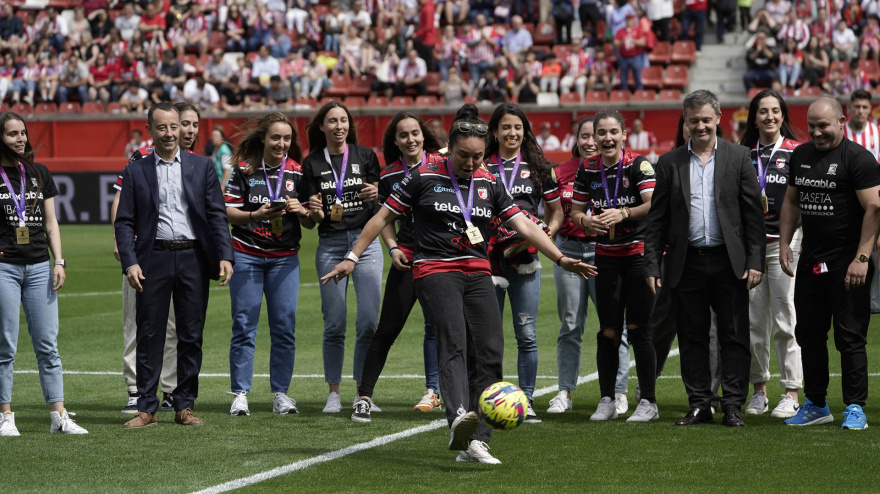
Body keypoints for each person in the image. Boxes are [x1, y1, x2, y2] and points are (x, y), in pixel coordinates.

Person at [321, 104, 596, 464]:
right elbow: (383, 215)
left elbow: (525, 225)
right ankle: (457, 421)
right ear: (450, 148)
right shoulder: (421, 176)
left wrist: (559, 257)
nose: (471, 163)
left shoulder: (489, 182)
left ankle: (478, 440)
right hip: (435, 270)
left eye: (478, 156)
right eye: (464, 156)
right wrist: (353, 256)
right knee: (453, 339)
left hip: (479, 271)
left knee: (491, 350)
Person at [644, 89, 766, 427]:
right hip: (687, 261)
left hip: (730, 262)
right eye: (693, 120)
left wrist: (755, 260)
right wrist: (652, 263)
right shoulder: (669, 162)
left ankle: (731, 405)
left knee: (734, 334)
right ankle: (699, 403)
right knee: (692, 335)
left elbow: (752, 216)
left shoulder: (739, 157)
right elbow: (657, 221)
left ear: (718, 120)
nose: (700, 126)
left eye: (706, 120)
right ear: (685, 122)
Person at [115, 102, 234, 428]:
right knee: (149, 332)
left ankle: (184, 405)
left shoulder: (203, 165)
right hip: (153, 259)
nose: (170, 133)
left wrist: (225, 254)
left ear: (183, 129)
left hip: (194, 259)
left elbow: (216, 215)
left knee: (191, 333)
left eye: (175, 127)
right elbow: (124, 221)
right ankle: (147, 408)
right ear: (150, 131)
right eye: (162, 128)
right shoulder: (136, 169)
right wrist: (130, 262)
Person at [779, 97, 880, 429]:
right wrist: (784, 242)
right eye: (812, 126)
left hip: (848, 261)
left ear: (842, 121)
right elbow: (792, 202)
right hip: (811, 259)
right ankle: (816, 405)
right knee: (808, 333)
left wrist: (862, 258)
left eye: (824, 125)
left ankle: (854, 407)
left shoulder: (859, 159)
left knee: (850, 336)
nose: (817, 132)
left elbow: (874, 209)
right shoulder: (801, 155)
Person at [352, 112, 445, 423]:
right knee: (387, 330)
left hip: (440, 260)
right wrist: (392, 248)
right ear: (395, 140)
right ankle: (364, 397)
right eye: (403, 135)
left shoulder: (442, 165)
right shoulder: (390, 175)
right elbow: (385, 218)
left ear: (423, 135)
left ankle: (435, 392)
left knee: (440, 331)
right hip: (406, 260)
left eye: (415, 133)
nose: (410, 139)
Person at [110, 102, 202, 414]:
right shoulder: (139, 161)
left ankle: (172, 392)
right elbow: (121, 205)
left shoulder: (196, 164)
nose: (183, 131)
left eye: (188, 125)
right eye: (178, 124)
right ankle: (137, 390)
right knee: (140, 327)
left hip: (185, 257)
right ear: (151, 130)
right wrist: (124, 249)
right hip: (146, 256)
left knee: (178, 331)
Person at [0, 111, 88, 437]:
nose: (20, 139)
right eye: (12, 134)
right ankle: (5, 416)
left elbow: (51, 223)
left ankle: (58, 415)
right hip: (4, 267)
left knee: (48, 346)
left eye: (22, 133)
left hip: (39, 266)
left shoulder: (39, 173)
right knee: (5, 346)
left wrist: (59, 261)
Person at [568, 109, 658, 422]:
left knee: (638, 329)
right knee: (608, 330)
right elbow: (575, 211)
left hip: (637, 254)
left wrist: (624, 214)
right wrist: (585, 220)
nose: (606, 139)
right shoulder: (588, 168)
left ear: (623, 135)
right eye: (600, 133)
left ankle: (648, 402)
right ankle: (606, 399)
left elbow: (653, 203)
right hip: (605, 256)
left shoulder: (638, 164)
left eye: (612, 133)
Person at [224, 113, 314, 417]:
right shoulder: (244, 169)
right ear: (263, 138)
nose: (281, 143)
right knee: (244, 325)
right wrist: (255, 215)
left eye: (287, 138)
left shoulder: (298, 172)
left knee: (284, 328)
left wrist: (302, 210)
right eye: (275, 137)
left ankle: (281, 394)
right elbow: (227, 210)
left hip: (284, 259)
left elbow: (313, 222)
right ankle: (240, 393)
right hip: (247, 254)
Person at [300, 101, 384, 414]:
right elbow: (311, 218)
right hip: (331, 244)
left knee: (368, 322)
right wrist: (316, 212)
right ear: (321, 126)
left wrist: (376, 195)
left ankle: (363, 393)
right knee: (334, 323)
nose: (339, 126)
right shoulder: (311, 164)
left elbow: (382, 204)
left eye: (343, 120)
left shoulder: (365, 156)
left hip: (366, 244)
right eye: (332, 121)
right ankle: (333, 392)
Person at [483, 103, 563, 424]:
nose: (512, 133)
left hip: (526, 261)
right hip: (488, 261)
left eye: (517, 127)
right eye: (505, 127)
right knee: (489, 335)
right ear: (494, 132)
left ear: (524, 131)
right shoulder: (482, 166)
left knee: (526, 333)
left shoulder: (539, 168)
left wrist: (544, 234)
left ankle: (526, 400)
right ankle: (489, 395)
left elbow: (556, 213)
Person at [737, 89, 804, 418]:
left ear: (783, 115)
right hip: (750, 245)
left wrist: (795, 240)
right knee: (752, 321)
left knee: (784, 318)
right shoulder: (740, 153)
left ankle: (791, 391)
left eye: (775, 111)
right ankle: (759, 390)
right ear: (754, 116)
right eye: (762, 111)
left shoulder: (796, 152)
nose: (769, 117)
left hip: (784, 243)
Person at [844, 89, 879, 159]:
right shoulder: (840, 132)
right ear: (850, 107)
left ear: (870, 109)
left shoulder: (878, 132)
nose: (860, 111)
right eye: (857, 106)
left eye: (864, 107)